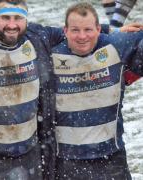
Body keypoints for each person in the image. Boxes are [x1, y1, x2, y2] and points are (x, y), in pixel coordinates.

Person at [0, 0, 66, 179]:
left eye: (18, 17)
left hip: (31, 154)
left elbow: (79, 31)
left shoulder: (39, 37)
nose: (12, 25)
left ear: (26, 19)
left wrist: (116, 31)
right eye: (5, 17)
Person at [51, 2, 143, 180]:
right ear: (65, 31)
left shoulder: (116, 45)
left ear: (98, 29)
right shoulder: (49, 52)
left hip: (111, 158)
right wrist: (113, 28)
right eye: (75, 30)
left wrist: (115, 30)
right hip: (65, 161)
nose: (82, 36)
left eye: (88, 30)